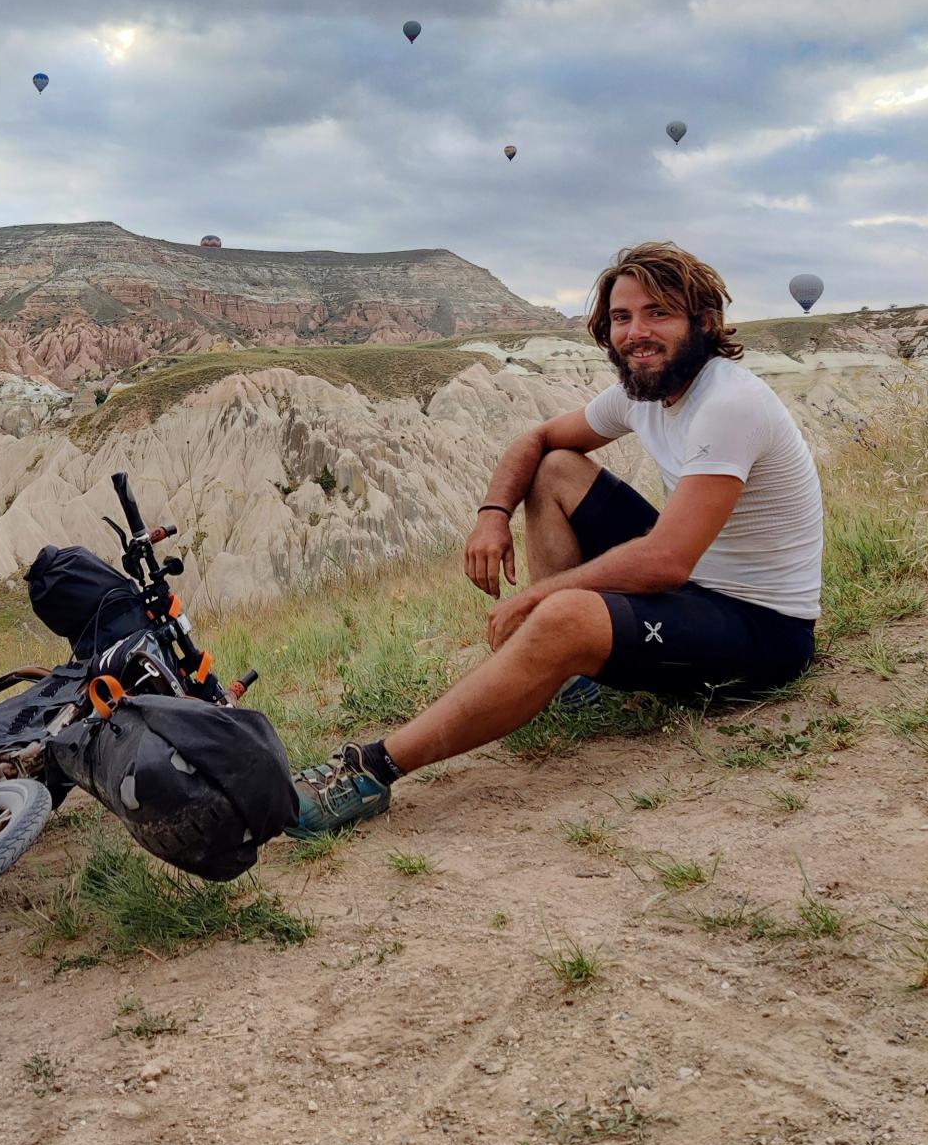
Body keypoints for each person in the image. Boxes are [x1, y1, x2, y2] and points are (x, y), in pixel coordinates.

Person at [290, 242, 823, 836]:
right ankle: (568, 676)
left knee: (565, 615)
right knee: (555, 470)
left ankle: (369, 771)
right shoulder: (645, 393)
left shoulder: (728, 403)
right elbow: (538, 439)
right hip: (699, 586)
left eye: (659, 313)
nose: (636, 333)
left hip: (763, 628)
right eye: (622, 317)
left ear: (703, 322)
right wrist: (492, 514)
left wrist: (539, 597)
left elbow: (667, 561)